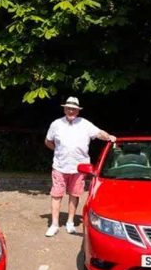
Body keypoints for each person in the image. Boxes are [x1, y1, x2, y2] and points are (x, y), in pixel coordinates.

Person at [44, 97, 116, 237]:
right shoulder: (56, 124)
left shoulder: (85, 124)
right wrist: (58, 151)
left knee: (74, 195)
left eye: (73, 109)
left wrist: (109, 137)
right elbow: (48, 141)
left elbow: (99, 133)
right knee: (56, 195)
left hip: (79, 168)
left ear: (78, 111)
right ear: (64, 109)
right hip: (59, 166)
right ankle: (54, 224)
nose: (71, 110)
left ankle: (70, 222)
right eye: (68, 108)